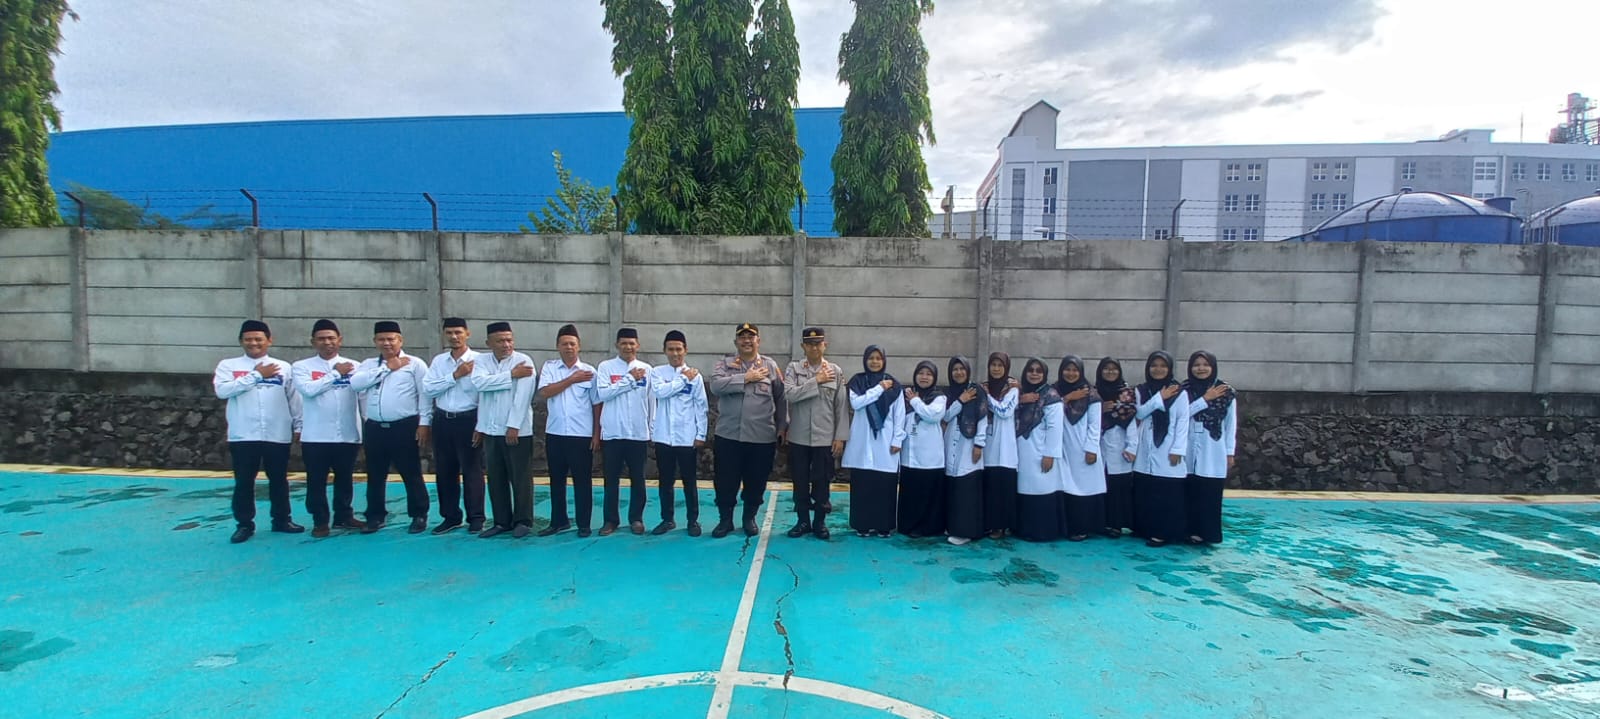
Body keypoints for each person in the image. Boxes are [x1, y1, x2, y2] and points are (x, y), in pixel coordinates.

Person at [213, 320, 302, 543]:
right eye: (248, 339)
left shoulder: (284, 367)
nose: (253, 343)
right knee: (244, 481)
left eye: (258, 339)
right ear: (241, 341)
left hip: (276, 432)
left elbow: (294, 399)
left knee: (279, 479)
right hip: (244, 434)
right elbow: (223, 391)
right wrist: (256, 375)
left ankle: (281, 520)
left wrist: (299, 425)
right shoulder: (228, 366)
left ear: (269, 341)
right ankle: (244, 524)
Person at [349, 321, 432, 534]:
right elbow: (356, 384)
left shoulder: (415, 364)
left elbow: (424, 396)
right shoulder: (368, 364)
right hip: (375, 428)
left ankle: (419, 514)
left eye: (391, 339)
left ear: (400, 340)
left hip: (404, 426)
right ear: (375, 341)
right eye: (381, 339)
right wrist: (388, 367)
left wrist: (424, 423)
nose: (386, 343)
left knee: (411, 472)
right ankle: (375, 516)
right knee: (375, 474)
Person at [709, 323, 788, 538]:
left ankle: (749, 518)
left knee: (756, 481)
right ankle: (725, 520)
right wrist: (745, 378)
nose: (746, 341)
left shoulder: (770, 366)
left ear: (758, 341)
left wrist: (782, 426)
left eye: (751, 337)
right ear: (735, 342)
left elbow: (781, 398)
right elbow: (715, 386)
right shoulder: (724, 365)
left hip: (761, 436)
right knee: (725, 481)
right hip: (729, 435)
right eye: (742, 337)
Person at [291, 319, 363, 538]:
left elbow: (363, 396)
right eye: (321, 339)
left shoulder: (355, 366)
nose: (327, 342)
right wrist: (335, 374)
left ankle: (344, 516)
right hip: (316, 436)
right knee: (316, 481)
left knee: (345, 478)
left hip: (347, 434)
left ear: (340, 340)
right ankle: (320, 521)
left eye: (331, 338)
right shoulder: (301, 367)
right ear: (313, 342)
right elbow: (308, 390)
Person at [782, 327, 849, 540]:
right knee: (800, 481)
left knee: (822, 483)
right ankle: (803, 521)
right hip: (799, 437)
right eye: (809, 344)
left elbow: (841, 406)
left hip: (824, 438)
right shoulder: (794, 369)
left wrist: (840, 437)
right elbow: (789, 394)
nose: (814, 347)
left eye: (818, 343)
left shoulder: (835, 371)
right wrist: (815, 381)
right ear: (803, 346)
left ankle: (820, 522)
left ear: (824, 345)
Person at [473, 322, 538, 538]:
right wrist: (511, 375)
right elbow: (479, 384)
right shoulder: (481, 361)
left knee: (520, 478)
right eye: (500, 341)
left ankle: (523, 521)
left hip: (517, 431)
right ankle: (501, 521)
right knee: (496, 478)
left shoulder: (523, 361)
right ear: (488, 343)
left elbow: (523, 397)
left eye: (509, 340)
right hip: (491, 430)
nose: (506, 345)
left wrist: (513, 425)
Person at [421, 317, 485, 534]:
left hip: (469, 419)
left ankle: (476, 517)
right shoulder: (439, 361)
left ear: (467, 333)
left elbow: (484, 395)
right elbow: (429, 389)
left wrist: (481, 425)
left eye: (458, 332)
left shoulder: (480, 360)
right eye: (449, 333)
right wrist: (455, 375)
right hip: (442, 420)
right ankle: (450, 517)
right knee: (445, 470)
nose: (454, 337)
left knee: (472, 470)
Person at [537, 324, 600, 537]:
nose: (569, 347)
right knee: (557, 480)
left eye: (572, 343)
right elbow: (545, 392)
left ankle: (584, 524)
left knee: (582, 481)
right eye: (564, 344)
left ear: (579, 346)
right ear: (558, 346)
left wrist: (596, 434)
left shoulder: (590, 372)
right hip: (555, 434)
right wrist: (572, 379)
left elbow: (596, 404)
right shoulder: (550, 368)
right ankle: (558, 521)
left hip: (581, 435)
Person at [596, 327, 655, 536]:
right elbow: (603, 394)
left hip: (637, 433)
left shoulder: (647, 369)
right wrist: (629, 379)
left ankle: (636, 518)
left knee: (638, 479)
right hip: (613, 433)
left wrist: (651, 429)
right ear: (617, 345)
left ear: (637, 345)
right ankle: (610, 520)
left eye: (631, 343)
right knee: (611, 480)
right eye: (624, 343)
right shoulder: (605, 367)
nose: (628, 347)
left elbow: (652, 401)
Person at [649, 330, 707, 536]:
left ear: (685, 350)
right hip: (663, 437)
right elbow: (660, 392)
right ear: (665, 351)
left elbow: (701, 406)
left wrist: (701, 434)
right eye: (671, 349)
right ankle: (667, 519)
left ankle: (693, 521)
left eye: (678, 349)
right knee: (665, 481)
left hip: (686, 437)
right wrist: (683, 379)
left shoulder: (696, 376)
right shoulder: (657, 372)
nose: (675, 353)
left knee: (689, 481)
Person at [843, 345, 904, 538]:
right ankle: (862, 524)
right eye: (871, 358)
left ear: (884, 361)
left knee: (884, 484)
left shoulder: (894, 385)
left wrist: (898, 439)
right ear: (865, 360)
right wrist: (879, 388)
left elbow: (899, 414)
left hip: (886, 441)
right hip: (862, 440)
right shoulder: (857, 381)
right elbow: (857, 403)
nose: (875, 362)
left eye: (878, 358)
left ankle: (883, 525)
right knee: (863, 484)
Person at [1133, 350, 1190, 547]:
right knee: (1146, 490)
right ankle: (1144, 529)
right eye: (1154, 365)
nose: (1158, 369)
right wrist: (1159, 397)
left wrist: (1178, 449)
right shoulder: (1141, 390)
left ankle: (1163, 533)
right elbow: (1139, 413)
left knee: (1167, 492)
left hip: (1168, 446)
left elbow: (1183, 422)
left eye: (1163, 366)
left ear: (1170, 368)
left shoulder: (1179, 392)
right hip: (1145, 447)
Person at [1182, 350, 1236, 545]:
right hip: (1187, 445)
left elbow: (1230, 425)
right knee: (1188, 490)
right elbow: (1181, 414)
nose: (1201, 369)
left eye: (1205, 365)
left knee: (1209, 491)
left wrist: (1229, 452)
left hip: (1213, 445)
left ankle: (1207, 533)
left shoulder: (1225, 392)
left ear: (1213, 367)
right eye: (1196, 365)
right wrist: (1205, 399)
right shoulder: (1183, 390)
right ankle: (1187, 531)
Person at [1012, 358, 1064, 542]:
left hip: (1040, 450)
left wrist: (1050, 454)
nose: (1034, 374)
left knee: (1041, 488)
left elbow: (1055, 428)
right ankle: (1024, 530)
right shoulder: (1020, 394)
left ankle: (1042, 532)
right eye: (1030, 370)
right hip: (1021, 449)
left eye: (1038, 371)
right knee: (1024, 488)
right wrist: (1019, 400)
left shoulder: (1051, 395)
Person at [1054, 355, 1105, 541]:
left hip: (1083, 449)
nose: (1071, 373)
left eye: (1075, 370)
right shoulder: (1055, 392)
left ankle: (1082, 528)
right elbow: (1047, 410)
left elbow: (1095, 425)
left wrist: (1091, 448)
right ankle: (1066, 527)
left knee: (1083, 489)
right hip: (1063, 447)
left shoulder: (1091, 395)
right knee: (1065, 487)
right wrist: (1067, 398)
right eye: (1067, 369)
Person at [898, 360, 947, 537]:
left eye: (928, 374)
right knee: (911, 492)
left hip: (929, 456)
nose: (924, 377)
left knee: (928, 493)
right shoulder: (906, 395)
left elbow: (932, 415)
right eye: (921, 373)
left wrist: (915, 401)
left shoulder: (939, 397)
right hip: (909, 454)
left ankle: (927, 527)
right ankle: (907, 525)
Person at [942, 356, 988, 545]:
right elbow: (945, 416)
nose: (958, 372)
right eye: (955, 369)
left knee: (966, 489)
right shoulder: (948, 393)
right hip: (950, 443)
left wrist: (979, 444)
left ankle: (966, 531)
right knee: (953, 487)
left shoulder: (977, 391)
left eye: (962, 369)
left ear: (968, 371)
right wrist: (960, 401)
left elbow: (983, 418)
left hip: (969, 444)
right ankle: (953, 526)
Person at [1094, 357, 1140, 538]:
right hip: (1099, 445)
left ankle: (1116, 525)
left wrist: (1132, 447)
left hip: (1120, 447)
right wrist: (1101, 409)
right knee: (1101, 485)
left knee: (1118, 488)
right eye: (1106, 368)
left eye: (1114, 369)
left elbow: (1132, 422)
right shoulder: (1094, 392)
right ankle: (1101, 523)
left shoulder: (1127, 394)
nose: (1110, 372)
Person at [980, 352, 1020, 540]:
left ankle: (1002, 526)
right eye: (993, 365)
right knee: (989, 488)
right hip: (987, 447)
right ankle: (989, 524)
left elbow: (1004, 411)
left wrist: (987, 396)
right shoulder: (983, 386)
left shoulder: (1012, 390)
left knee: (1003, 488)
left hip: (1005, 449)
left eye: (1000, 365)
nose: (996, 369)